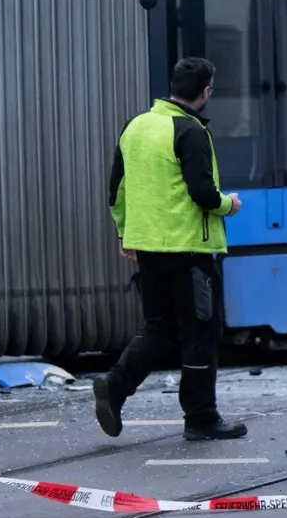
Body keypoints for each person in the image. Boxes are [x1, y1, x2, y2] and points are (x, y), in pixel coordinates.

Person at [95, 57, 248, 441]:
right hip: (188, 251)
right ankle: (201, 417)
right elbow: (202, 193)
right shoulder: (191, 130)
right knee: (200, 331)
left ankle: (115, 385)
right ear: (206, 92)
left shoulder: (137, 126)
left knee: (160, 328)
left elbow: (117, 190)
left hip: (148, 248)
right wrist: (229, 204)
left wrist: (125, 233)